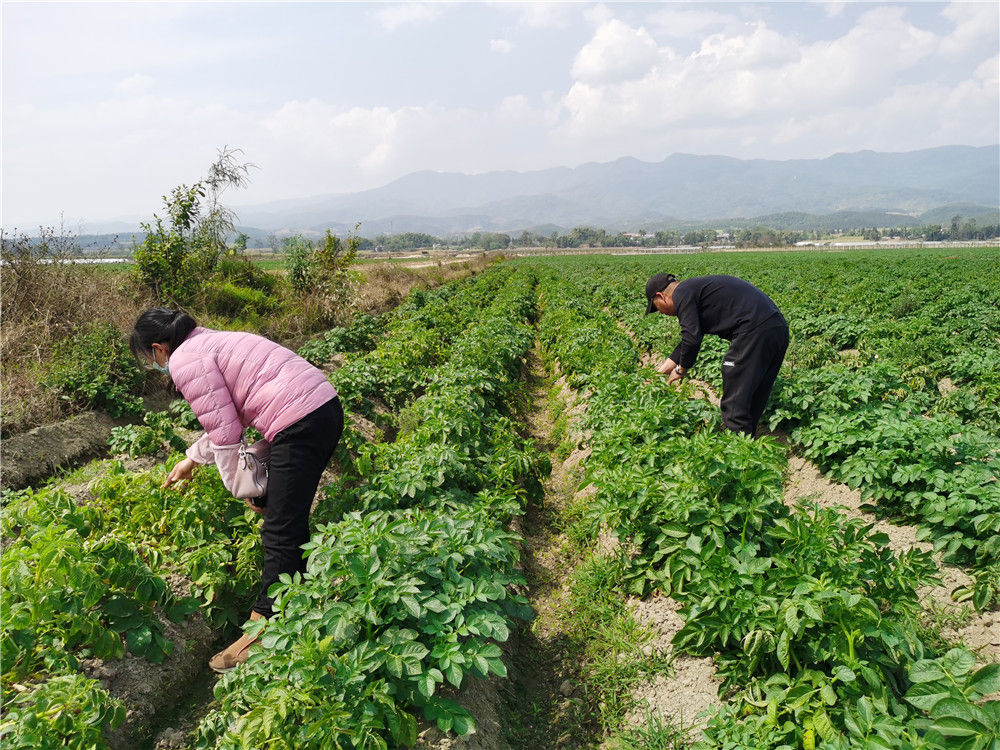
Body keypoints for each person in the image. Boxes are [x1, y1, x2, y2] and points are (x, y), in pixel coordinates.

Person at [129, 307, 343, 672]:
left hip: (299, 420)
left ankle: (264, 628)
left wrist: (249, 489)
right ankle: (300, 599)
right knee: (287, 516)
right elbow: (227, 416)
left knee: (279, 525)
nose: (154, 365)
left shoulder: (185, 360)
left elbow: (227, 436)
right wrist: (192, 460)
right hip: (320, 408)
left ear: (158, 348)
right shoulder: (210, 341)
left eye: (149, 358)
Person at [644, 272, 789, 436]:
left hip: (753, 330)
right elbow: (688, 339)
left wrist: (681, 369)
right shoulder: (694, 290)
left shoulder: (682, 293)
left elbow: (691, 339)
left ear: (661, 296)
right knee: (752, 396)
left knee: (735, 397)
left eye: (656, 308)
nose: (661, 313)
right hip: (777, 329)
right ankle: (747, 445)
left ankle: (735, 450)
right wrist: (659, 373)